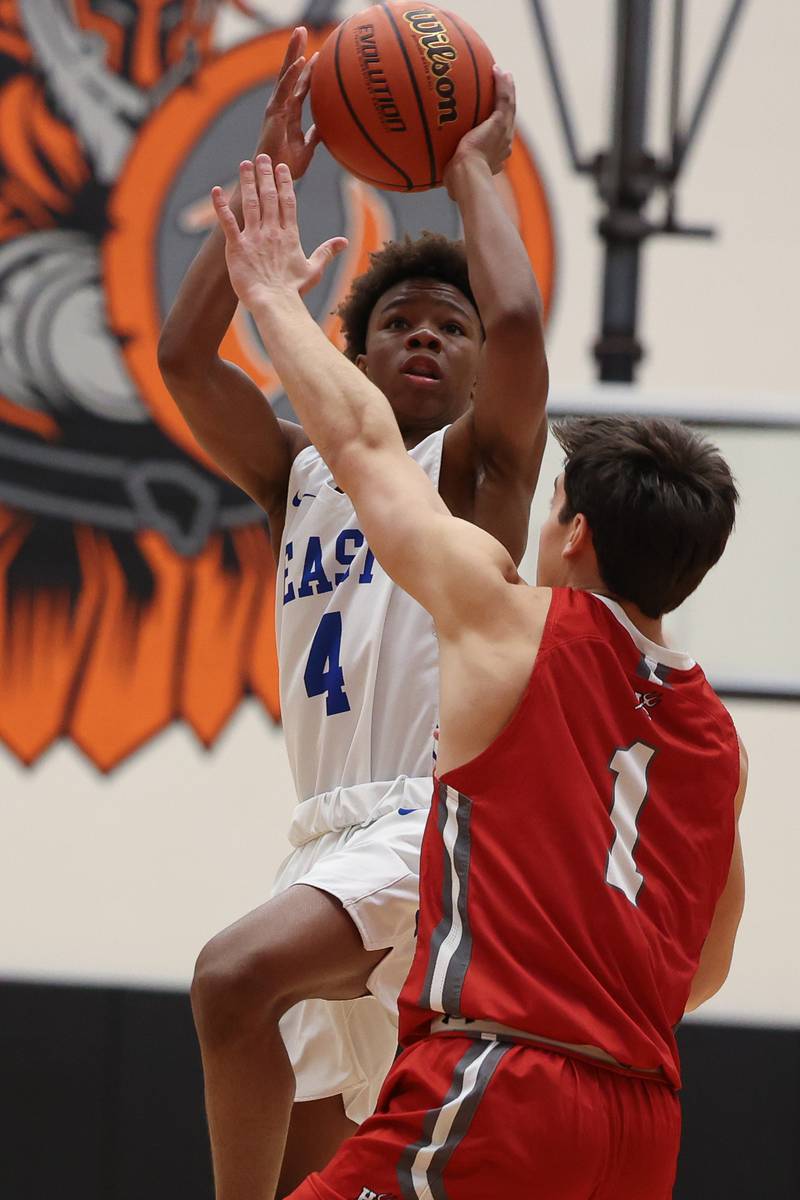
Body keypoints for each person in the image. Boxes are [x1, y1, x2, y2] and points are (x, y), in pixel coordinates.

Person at [210, 152, 747, 1199]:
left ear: (574, 533)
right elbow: (706, 964)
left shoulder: (510, 624)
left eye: (549, 508)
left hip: (501, 1076)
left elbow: (364, 446)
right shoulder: (713, 736)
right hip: (639, 1117)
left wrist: (272, 297)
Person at [158, 30, 548, 1199]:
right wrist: (263, 178)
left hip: (432, 819)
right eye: (398, 323)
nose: (425, 333)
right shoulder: (296, 473)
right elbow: (184, 361)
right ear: (351, 354)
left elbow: (522, 324)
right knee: (327, 1171)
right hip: (324, 836)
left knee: (231, 980)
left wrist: (476, 171)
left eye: (449, 325)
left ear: (478, 370)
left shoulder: (480, 470)